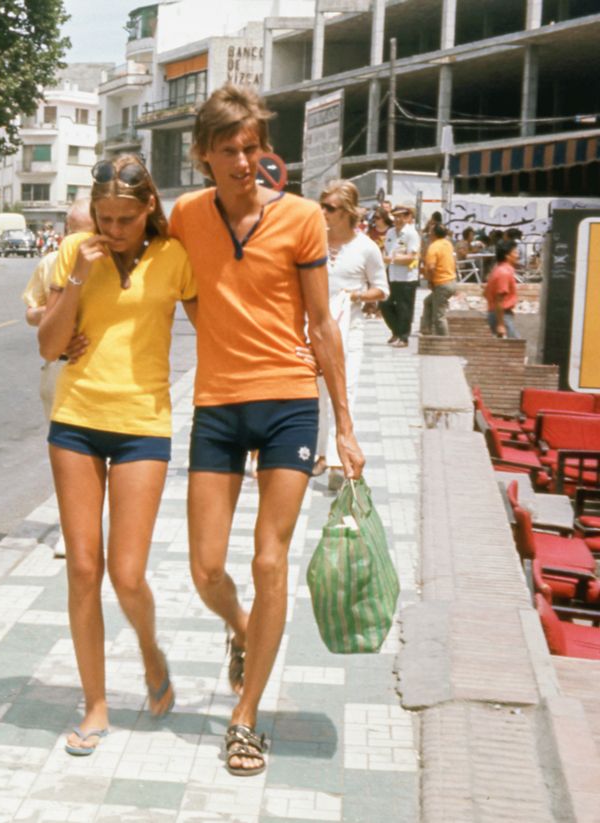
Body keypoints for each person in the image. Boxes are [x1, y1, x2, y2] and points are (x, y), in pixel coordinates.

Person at [169, 85, 364, 777]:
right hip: (218, 405)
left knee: (268, 561)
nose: (244, 162)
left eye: (252, 147)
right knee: (205, 567)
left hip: (288, 401)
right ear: (203, 155)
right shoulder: (186, 216)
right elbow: (154, 273)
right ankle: (246, 631)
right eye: (229, 150)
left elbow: (322, 324)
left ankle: (245, 717)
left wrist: (345, 426)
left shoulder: (303, 218)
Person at [38, 154, 195, 757]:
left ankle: (151, 652)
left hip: (142, 425)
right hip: (76, 420)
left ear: (149, 207)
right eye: (104, 218)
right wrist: (78, 276)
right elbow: (49, 347)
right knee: (83, 569)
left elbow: (213, 329)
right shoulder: (74, 252)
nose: (113, 229)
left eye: (125, 219)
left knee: (127, 575)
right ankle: (95, 704)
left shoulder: (175, 257)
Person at [313, 180, 388, 479]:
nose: (323, 212)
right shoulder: (314, 241)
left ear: (346, 211)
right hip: (314, 328)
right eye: (321, 206)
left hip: (349, 330)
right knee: (317, 392)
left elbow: (382, 289)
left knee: (345, 391)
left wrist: (355, 296)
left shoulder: (366, 248)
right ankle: (320, 454)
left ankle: (336, 460)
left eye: (329, 208)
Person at [22, 198, 95, 421]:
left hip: (99, 367)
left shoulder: (110, 264)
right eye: (73, 233)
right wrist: (53, 314)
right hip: (59, 365)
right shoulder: (49, 263)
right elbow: (30, 314)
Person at [380, 204, 421, 347]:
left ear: (407, 217)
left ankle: (403, 337)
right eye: (396, 216)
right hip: (391, 274)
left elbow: (411, 257)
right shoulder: (390, 232)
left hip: (406, 277)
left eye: (401, 216)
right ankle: (396, 331)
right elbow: (386, 250)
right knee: (384, 304)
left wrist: (391, 260)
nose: (398, 219)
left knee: (404, 308)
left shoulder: (411, 233)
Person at [421, 223, 457, 337]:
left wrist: (430, 281)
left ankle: (444, 341)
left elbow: (431, 268)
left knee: (439, 316)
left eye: (430, 231)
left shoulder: (434, 247)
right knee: (428, 302)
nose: (429, 233)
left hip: (442, 284)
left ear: (434, 234)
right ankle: (426, 329)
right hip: (451, 282)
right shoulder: (448, 244)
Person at [485, 239, 520, 338]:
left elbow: (485, 293)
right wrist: (501, 324)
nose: (517, 256)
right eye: (515, 252)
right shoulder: (504, 273)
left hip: (500, 314)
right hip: (501, 316)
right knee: (514, 345)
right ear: (507, 256)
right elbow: (499, 299)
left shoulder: (498, 270)